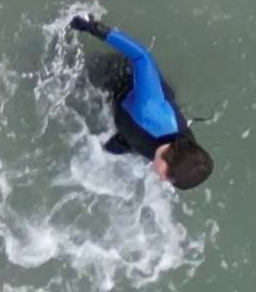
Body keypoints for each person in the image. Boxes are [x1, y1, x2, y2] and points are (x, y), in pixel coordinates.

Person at [69, 13, 213, 190]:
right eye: (168, 177)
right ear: (171, 155)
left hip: (131, 131)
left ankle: (123, 140)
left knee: (105, 149)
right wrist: (93, 28)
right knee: (66, 71)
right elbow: (142, 57)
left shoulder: (184, 151)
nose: (162, 180)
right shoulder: (149, 109)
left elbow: (192, 163)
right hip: (118, 77)